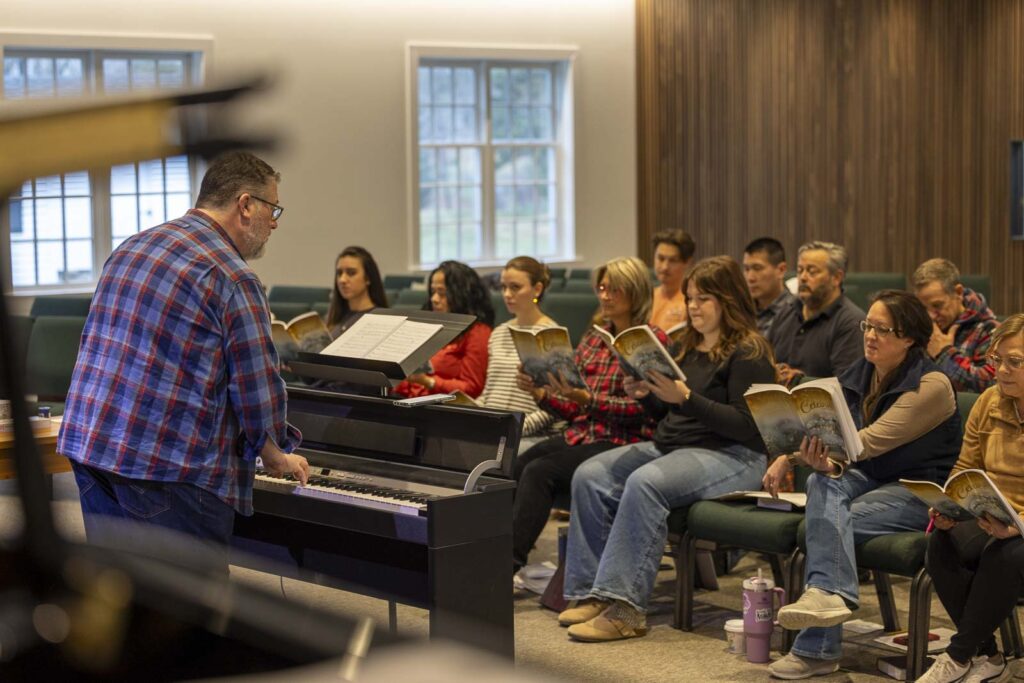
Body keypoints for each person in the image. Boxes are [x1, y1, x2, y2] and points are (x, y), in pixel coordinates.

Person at [57, 151, 310, 567]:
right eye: (273, 208)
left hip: (92, 449)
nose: (276, 222)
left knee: (121, 606)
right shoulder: (232, 275)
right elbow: (255, 387)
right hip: (166, 471)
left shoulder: (134, 246)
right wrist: (274, 450)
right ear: (245, 205)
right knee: (186, 618)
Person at [559, 256, 776, 642]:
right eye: (691, 298)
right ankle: (590, 592)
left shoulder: (749, 351)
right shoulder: (687, 345)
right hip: (676, 448)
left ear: (727, 300)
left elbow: (746, 425)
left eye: (704, 298)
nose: (693, 306)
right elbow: (668, 410)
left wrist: (687, 397)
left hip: (734, 455)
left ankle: (625, 610)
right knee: (590, 474)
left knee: (645, 483)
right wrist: (646, 394)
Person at [763, 290, 962, 680]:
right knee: (824, 488)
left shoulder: (931, 385)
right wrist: (791, 451)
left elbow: (864, 442)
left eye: (881, 329)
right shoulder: (862, 372)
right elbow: (830, 437)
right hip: (872, 478)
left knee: (828, 523)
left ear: (909, 338)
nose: (869, 335)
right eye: (867, 325)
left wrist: (796, 455)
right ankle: (826, 604)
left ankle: (817, 646)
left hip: (919, 492)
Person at [512, 256, 667, 573]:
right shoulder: (595, 338)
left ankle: (504, 565)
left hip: (623, 440)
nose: (605, 296)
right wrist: (541, 393)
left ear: (635, 293)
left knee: (540, 471)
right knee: (519, 463)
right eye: (602, 288)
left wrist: (589, 400)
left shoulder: (650, 341)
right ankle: (487, 553)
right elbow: (574, 407)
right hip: (584, 432)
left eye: (615, 290)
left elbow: (642, 411)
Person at [917, 314, 1024, 683]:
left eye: (1015, 362)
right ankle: (988, 654)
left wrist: (1019, 526)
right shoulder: (989, 401)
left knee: (1007, 551)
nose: (1002, 370)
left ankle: (958, 654)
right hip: (994, 515)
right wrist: (950, 506)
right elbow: (965, 467)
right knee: (940, 542)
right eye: (997, 360)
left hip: (1020, 529)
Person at [476, 257, 561, 449]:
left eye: (515, 287)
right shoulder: (498, 333)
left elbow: (556, 406)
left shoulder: (550, 336)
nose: (506, 294)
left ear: (537, 289)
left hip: (528, 434)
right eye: (503, 287)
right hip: (495, 429)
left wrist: (514, 429)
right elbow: (489, 394)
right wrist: (472, 410)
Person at [768, 240, 865, 386]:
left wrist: (800, 381)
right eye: (800, 270)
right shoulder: (786, 311)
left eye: (812, 271)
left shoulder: (850, 322)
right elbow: (765, 362)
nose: (803, 277)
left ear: (836, 278)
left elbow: (847, 387)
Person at [393, 260, 493, 398]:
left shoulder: (477, 332)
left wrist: (429, 382)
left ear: (461, 295)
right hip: (407, 399)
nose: (434, 299)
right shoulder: (429, 326)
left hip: (442, 408)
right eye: (433, 292)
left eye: (442, 293)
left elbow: (472, 388)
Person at [911, 257, 999, 393]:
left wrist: (944, 353)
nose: (930, 316)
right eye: (923, 308)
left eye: (937, 305)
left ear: (958, 292)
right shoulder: (920, 326)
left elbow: (990, 386)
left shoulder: (990, 330)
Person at [324, 245, 389, 338]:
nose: (342, 280)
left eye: (351, 273)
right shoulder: (332, 319)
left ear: (368, 278)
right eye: (339, 273)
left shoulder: (381, 320)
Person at [743, 237, 797, 338]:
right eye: (746, 269)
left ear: (781, 270)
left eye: (757, 268)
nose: (750, 277)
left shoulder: (795, 312)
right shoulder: (742, 310)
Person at [649, 229, 696, 331]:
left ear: (688, 262)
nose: (665, 267)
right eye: (660, 258)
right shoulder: (647, 298)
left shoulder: (693, 301)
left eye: (673, 260)